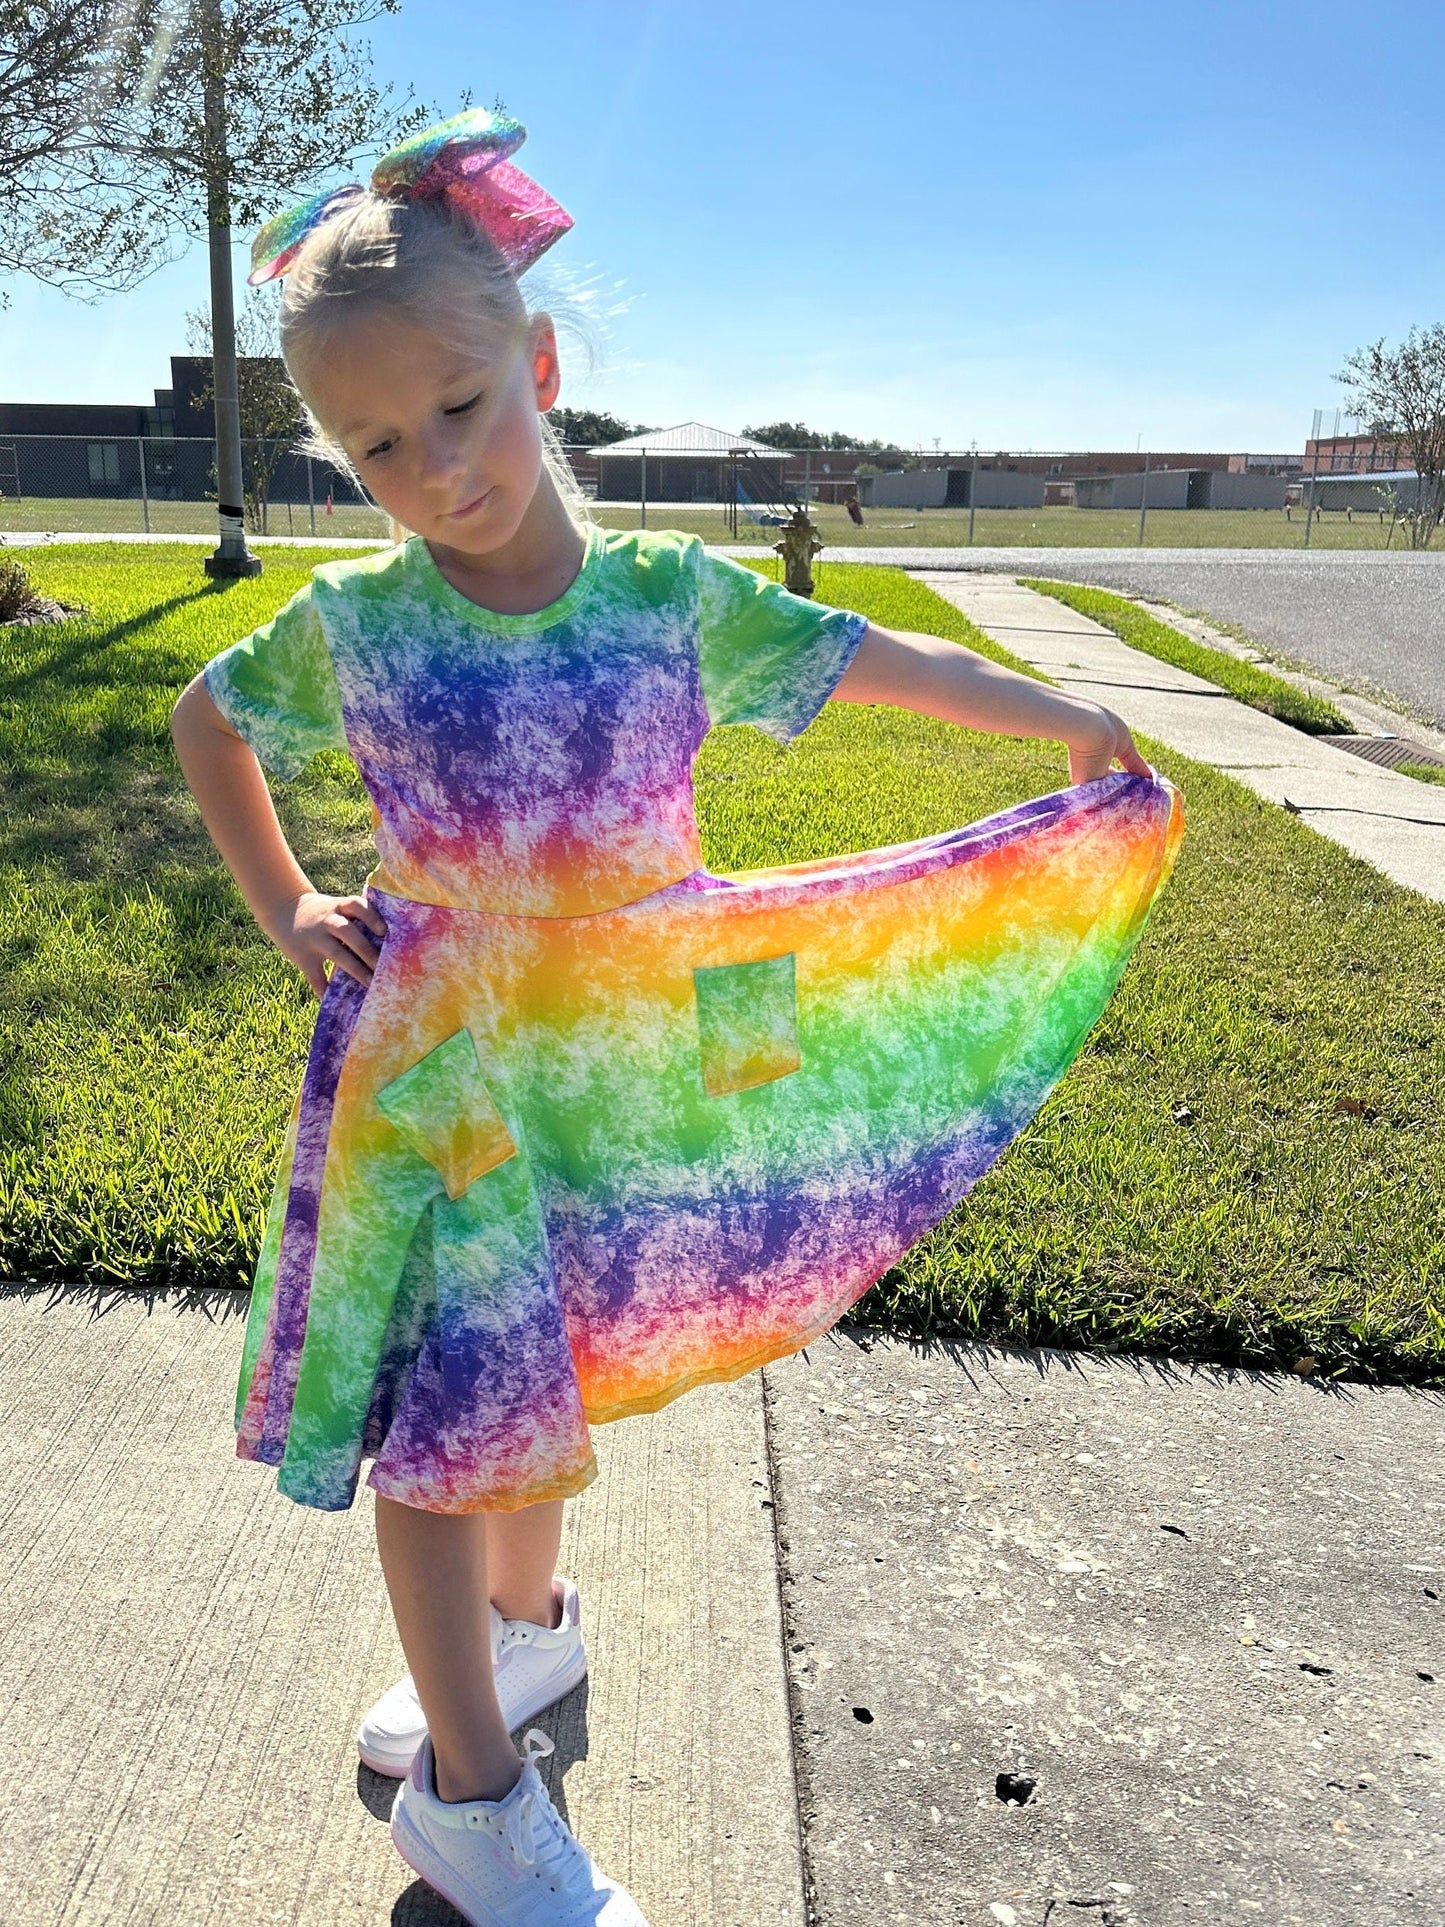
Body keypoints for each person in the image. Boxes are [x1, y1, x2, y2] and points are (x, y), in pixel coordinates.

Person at [170, 108, 1181, 1927]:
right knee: (445, 1424)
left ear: (537, 366)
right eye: (375, 444)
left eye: (461, 407)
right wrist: (289, 903)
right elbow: (204, 719)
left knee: (549, 1379)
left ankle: (527, 1635)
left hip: (620, 1057)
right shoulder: (358, 628)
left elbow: (889, 665)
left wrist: (1062, 724)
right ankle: (470, 1802)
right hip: (442, 1082)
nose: (433, 468)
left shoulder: (668, 605)